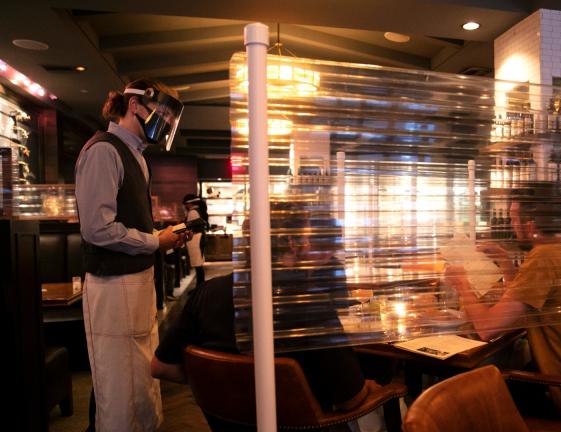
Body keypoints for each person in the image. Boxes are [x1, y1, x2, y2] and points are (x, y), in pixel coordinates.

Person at [151, 206, 379, 425]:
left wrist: (220, 383)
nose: (311, 245)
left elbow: (161, 367)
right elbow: (352, 399)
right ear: (292, 243)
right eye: (308, 238)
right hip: (304, 425)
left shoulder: (207, 293)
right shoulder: (309, 304)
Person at [75, 78, 186, 431]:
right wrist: (155, 242)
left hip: (136, 281)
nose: (165, 122)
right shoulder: (104, 150)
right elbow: (97, 228)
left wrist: (159, 238)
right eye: (163, 112)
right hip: (111, 284)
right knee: (118, 385)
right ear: (137, 105)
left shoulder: (135, 154)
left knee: (139, 377)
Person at [443, 182, 561, 417]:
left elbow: (488, 328)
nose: (511, 225)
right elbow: (527, 300)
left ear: (530, 225)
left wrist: (462, 285)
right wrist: (506, 263)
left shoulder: (543, 259)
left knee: (453, 396)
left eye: (513, 218)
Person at [182, 194, 207, 286]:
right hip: (198, 238)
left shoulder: (193, 212)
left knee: (198, 265)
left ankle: (200, 287)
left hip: (196, 238)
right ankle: (200, 286)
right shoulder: (198, 210)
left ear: (189, 203)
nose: (185, 206)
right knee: (198, 264)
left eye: (185, 204)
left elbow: (190, 226)